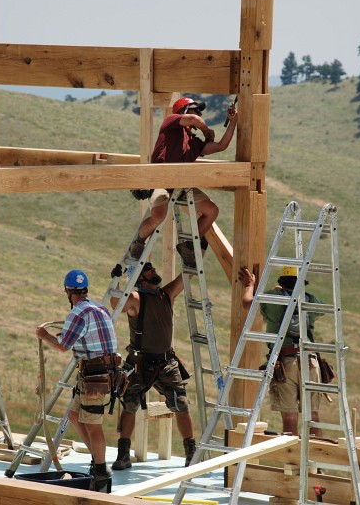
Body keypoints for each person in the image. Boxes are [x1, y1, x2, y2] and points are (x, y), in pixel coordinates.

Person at [127, 97, 238, 269]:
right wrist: (207, 131)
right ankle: (139, 241)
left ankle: (188, 245)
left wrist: (233, 123)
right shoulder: (171, 122)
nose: (199, 113)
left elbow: (221, 146)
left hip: (180, 186)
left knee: (211, 210)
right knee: (159, 215)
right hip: (160, 180)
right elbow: (195, 120)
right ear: (183, 111)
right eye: (196, 109)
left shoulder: (193, 141)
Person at [36, 269, 119, 493]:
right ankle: (97, 460)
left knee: (93, 425)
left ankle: (101, 470)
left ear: (68, 291)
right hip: (103, 373)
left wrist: (44, 336)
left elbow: (63, 346)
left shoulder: (78, 314)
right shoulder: (100, 309)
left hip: (94, 376)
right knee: (74, 415)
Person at [110, 262, 197, 470]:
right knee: (129, 405)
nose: (154, 270)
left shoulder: (165, 295)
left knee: (181, 405)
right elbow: (117, 304)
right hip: (140, 363)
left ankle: (191, 454)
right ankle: (123, 454)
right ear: (140, 278)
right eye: (149, 269)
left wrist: (197, 251)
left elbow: (186, 277)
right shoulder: (136, 299)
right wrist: (116, 282)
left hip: (166, 362)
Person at [238, 266, 325, 438]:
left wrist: (249, 286)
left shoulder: (273, 298)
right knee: (313, 415)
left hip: (286, 362)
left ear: (281, 282)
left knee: (290, 416)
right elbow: (321, 310)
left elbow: (247, 302)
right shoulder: (309, 299)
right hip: (310, 362)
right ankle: (317, 463)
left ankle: (291, 463)